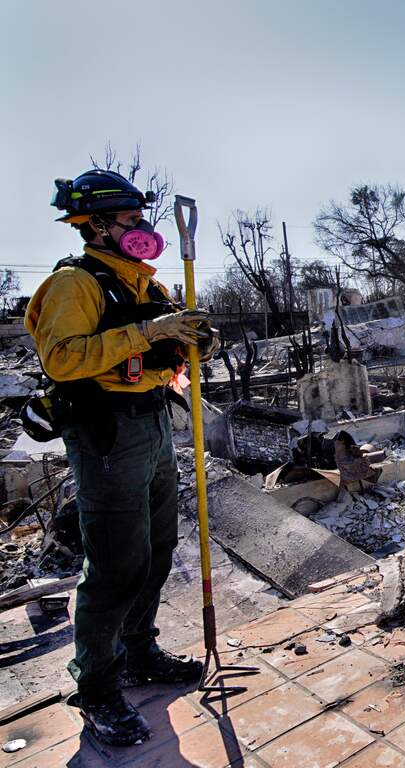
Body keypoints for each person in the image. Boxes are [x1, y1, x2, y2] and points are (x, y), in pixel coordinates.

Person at [25, 169, 220, 746]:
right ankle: (97, 687)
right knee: (114, 563)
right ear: (99, 225)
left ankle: (138, 651)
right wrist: (147, 331)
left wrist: (191, 339)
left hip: (153, 419)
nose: (143, 230)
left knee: (157, 546)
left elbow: (171, 344)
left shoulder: (145, 284)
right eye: (132, 222)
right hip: (107, 432)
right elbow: (63, 358)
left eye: (141, 220)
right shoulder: (75, 285)